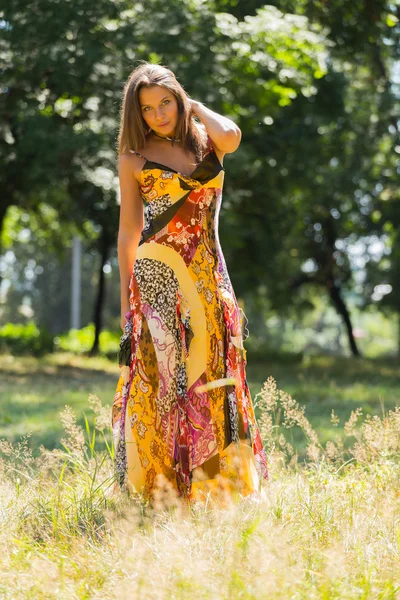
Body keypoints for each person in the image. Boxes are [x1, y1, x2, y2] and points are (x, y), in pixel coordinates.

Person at [112, 62, 268, 506]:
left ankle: (216, 487)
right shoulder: (134, 159)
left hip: (209, 274)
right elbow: (128, 232)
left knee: (216, 375)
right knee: (167, 381)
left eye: (166, 102)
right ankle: (163, 492)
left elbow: (232, 137)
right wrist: (128, 300)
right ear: (137, 116)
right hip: (158, 278)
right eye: (147, 109)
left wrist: (195, 108)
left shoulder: (205, 141)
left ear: (179, 99)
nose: (159, 114)